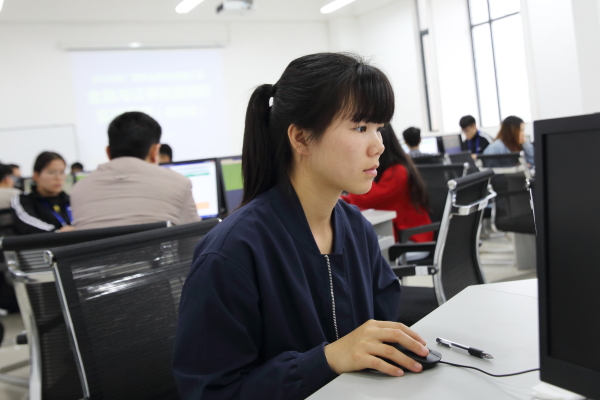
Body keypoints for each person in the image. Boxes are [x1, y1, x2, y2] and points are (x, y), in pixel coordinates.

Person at [173, 53, 429, 400]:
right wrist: (326, 360)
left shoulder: (357, 230)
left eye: (379, 128)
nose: (379, 146)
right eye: (360, 128)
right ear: (302, 138)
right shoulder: (231, 253)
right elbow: (211, 393)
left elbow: (378, 338)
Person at [70, 111, 200, 229]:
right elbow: (195, 237)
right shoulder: (179, 183)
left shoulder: (78, 190)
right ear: (155, 151)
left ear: (108, 152)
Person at [341, 123, 433, 243]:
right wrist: (340, 199)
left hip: (412, 239)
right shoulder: (389, 169)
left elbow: (367, 198)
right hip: (400, 234)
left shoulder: (398, 171)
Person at [11, 152, 74, 234]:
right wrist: (57, 233)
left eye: (62, 172)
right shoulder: (24, 200)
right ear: (36, 176)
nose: (58, 177)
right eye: (52, 172)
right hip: (47, 241)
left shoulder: (70, 200)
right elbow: (27, 223)